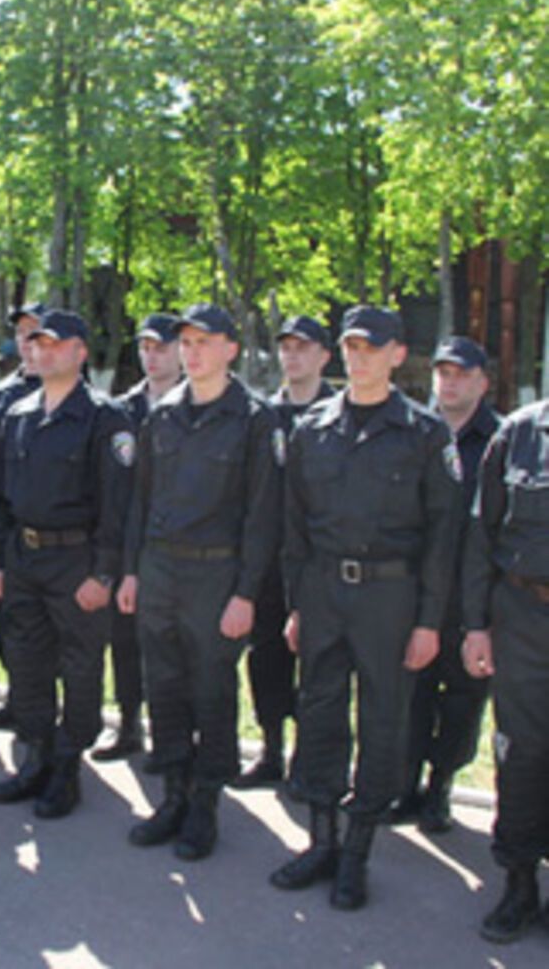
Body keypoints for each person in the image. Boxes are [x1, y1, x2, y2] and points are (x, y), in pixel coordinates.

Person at [272, 305, 462, 911]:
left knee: (383, 722)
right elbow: (294, 528)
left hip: (390, 595)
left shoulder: (426, 434)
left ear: (398, 355)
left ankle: (357, 852)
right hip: (325, 591)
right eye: (351, 347)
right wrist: (299, 605)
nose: (358, 358)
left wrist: (429, 620)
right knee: (320, 712)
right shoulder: (314, 427)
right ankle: (320, 841)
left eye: (371, 348)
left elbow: (443, 538)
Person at [117, 303, 281, 861]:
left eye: (204, 341)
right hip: (161, 569)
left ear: (231, 348)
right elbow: (141, 501)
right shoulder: (161, 415)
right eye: (185, 341)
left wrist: (246, 594)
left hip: (217, 574)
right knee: (162, 686)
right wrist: (133, 571)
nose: (191, 351)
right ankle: (172, 797)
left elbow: (263, 517)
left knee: (211, 691)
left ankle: (205, 805)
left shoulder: (255, 421)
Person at [0, 310, 135, 817]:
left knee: (80, 667)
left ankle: (68, 766)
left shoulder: (105, 417)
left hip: (77, 562)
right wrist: (1, 563)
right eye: (37, 343)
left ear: (80, 353)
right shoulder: (19, 414)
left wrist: (104, 575)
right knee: (26, 664)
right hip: (26, 558)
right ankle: (35, 758)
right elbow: (2, 500)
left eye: (55, 344)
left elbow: (118, 507)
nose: (42, 351)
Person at [393, 336, 501, 831]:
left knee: (462, 699)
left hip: (470, 597)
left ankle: (440, 788)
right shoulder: (416, 433)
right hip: (413, 592)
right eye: (442, 373)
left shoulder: (501, 439)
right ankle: (405, 784)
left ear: (482, 381)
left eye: (460, 374)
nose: (449, 383)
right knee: (409, 693)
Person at [233, 314, 335, 788]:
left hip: (319, 565)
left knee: (318, 665)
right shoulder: (264, 416)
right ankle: (271, 750)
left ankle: (308, 758)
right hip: (270, 562)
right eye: (286, 348)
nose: (293, 356)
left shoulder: (340, 413)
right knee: (267, 658)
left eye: (303, 347)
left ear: (324, 356)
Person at [462, 395, 549, 943]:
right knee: (520, 752)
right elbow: (480, 538)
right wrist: (475, 625)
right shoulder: (519, 434)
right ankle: (519, 884)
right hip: (523, 619)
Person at [91, 311, 181, 762]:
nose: (151, 356)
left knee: (171, 647)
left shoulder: (194, 406)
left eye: (161, 347)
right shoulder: (122, 410)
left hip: (176, 547)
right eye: (145, 347)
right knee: (123, 640)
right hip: (129, 539)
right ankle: (129, 724)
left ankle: (175, 736)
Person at [0, 302, 44, 732]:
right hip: (7, 529)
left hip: (52, 534)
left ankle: (39, 709)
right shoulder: (2, 394)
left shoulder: (75, 391)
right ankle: (17, 698)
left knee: (42, 631)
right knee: (4, 620)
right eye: (20, 332)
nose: (26, 340)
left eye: (35, 331)